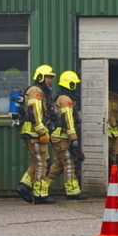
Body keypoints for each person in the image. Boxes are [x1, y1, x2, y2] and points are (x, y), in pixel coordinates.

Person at [16, 65, 57, 204]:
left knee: (39, 160)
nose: (49, 80)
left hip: (33, 132)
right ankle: (39, 194)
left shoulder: (40, 91)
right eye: (47, 77)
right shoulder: (36, 91)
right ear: (40, 77)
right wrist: (42, 132)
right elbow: (34, 112)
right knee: (41, 162)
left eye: (51, 78)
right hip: (34, 132)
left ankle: (24, 185)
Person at [45, 70, 87, 200]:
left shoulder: (63, 97)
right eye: (74, 84)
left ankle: (42, 186)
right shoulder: (66, 99)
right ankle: (73, 192)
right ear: (70, 84)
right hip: (63, 138)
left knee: (58, 165)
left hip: (59, 137)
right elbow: (68, 119)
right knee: (69, 164)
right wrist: (74, 139)